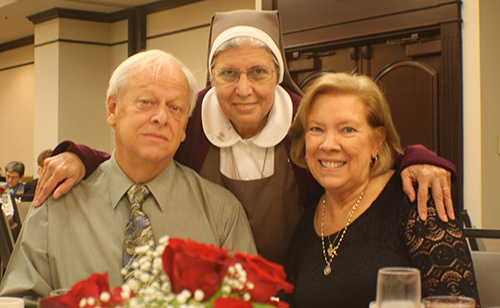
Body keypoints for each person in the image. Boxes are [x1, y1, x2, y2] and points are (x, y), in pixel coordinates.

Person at [34, 10, 456, 265]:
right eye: (228, 74)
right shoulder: (191, 116)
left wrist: (419, 159)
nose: (243, 89)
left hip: (302, 274)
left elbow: (360, 145)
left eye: (258, 72)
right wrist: (83, 157)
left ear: (278, 75)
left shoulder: (303, 118)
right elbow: (142, 149)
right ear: (211, 77)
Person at [0, 50, 256, 304]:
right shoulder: (56, 204)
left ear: (184, 129)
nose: (161, 117)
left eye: (175, 107)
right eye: (146, 102)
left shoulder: (222, 215)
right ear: (112, 109)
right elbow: (18, 301)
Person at [285, 72, 479, 307]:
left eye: (347, 130)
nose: (328, 145)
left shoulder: (416, 204)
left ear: (377, 140)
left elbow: (458, 303)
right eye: (316, 129)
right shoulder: (309, 217)